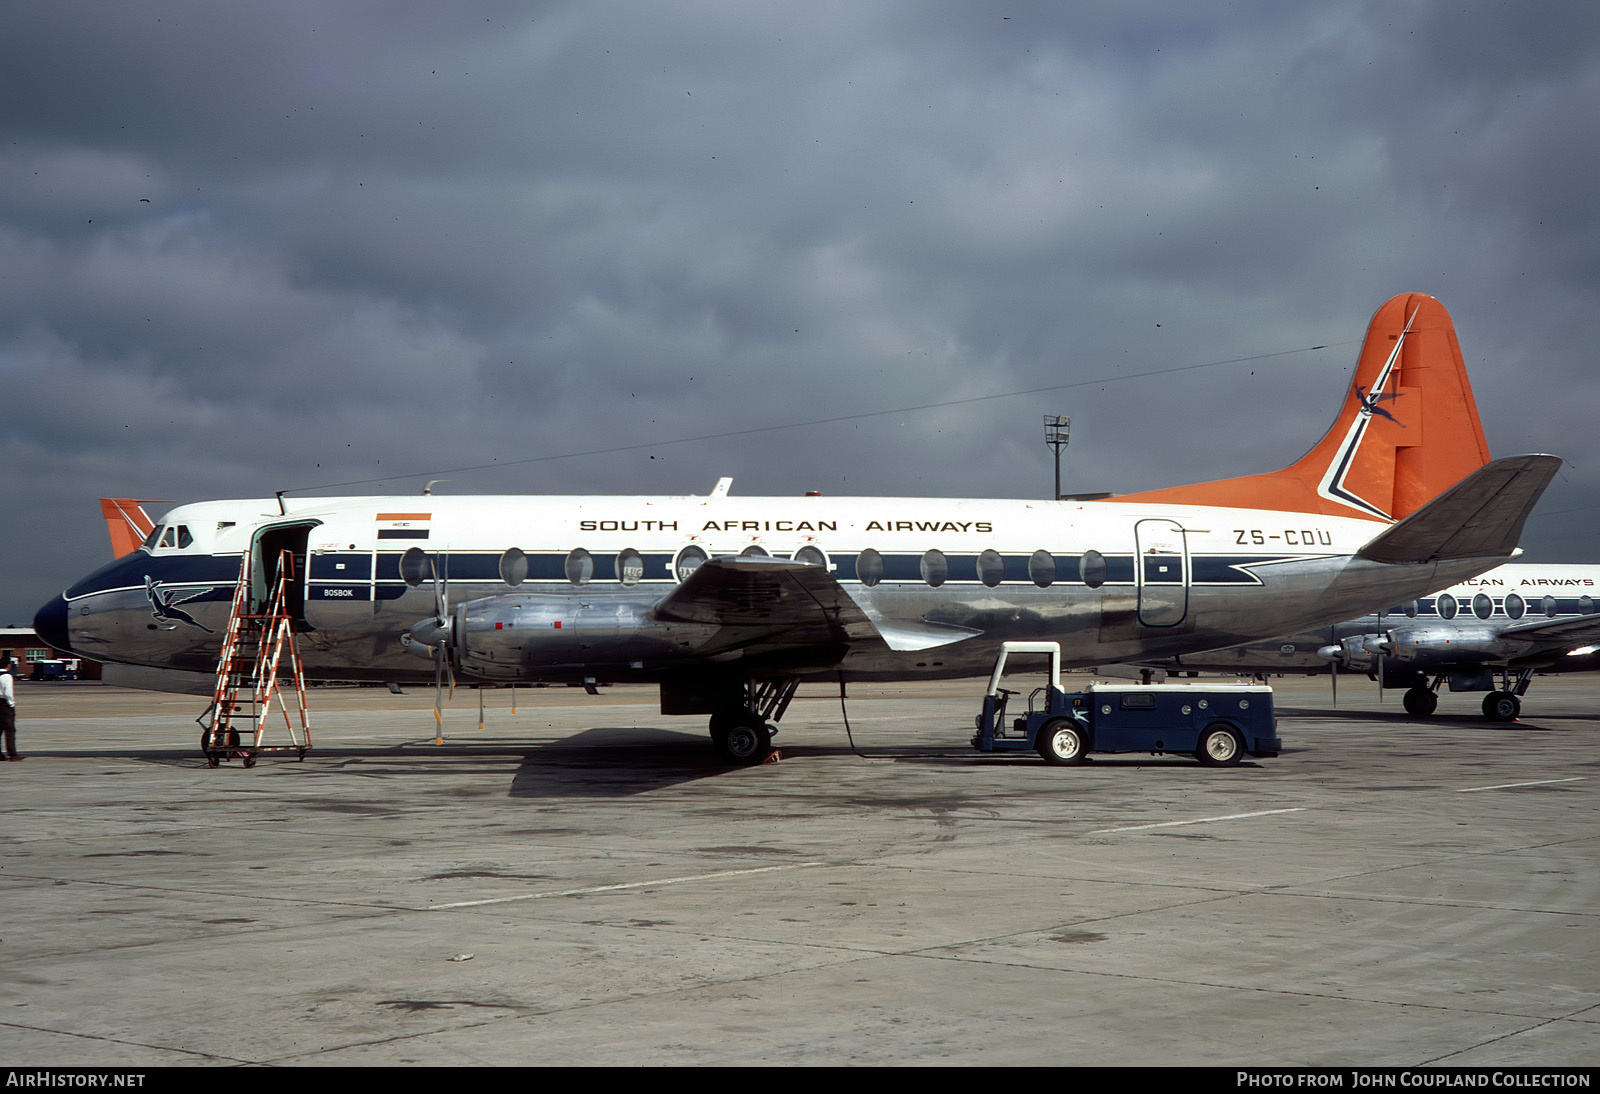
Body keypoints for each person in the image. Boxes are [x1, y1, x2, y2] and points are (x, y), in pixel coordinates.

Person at [0, 653, 18, 761]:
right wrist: (11, 704)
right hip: (4, 703)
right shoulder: (7, 676)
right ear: (8, 665)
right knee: (10, 729)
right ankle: (12, 753)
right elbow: (8, 693)